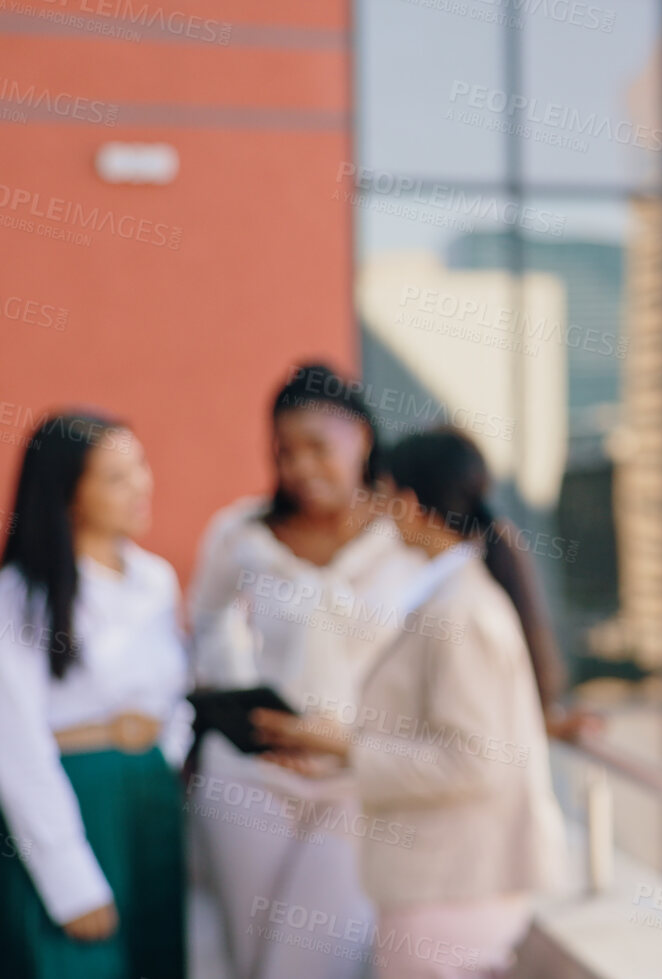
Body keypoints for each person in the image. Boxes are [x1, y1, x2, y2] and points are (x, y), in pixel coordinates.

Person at [252, 427, 566, 979]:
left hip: (452, 887)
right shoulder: (450, 597)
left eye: (386, 495)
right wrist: (334, 754)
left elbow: (473, 759)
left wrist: (346, 745)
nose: (378, 512)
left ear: (412, 504)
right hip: (447, 884)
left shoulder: (459, 612)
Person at [185, 362, 427, 978]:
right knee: (250, 959)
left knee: (314, 962)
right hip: (253, 774)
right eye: (285, 452)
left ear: (361, 437)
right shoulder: (241, 532)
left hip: (356, 781)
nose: (300, 466)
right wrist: (245, 696)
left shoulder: (405, 537)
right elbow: (207, 620)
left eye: (318, 447)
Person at [0, 412, 188, 978]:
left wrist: (161, 755)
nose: (141, 486)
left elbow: (174, 697)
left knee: (153, 957)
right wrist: (68, 879)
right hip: (72, 802)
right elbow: (13, 743)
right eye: (116, 477)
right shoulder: (20, 595)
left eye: (140, 467)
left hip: (149, 803)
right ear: (68, 493)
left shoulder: (155, 580)